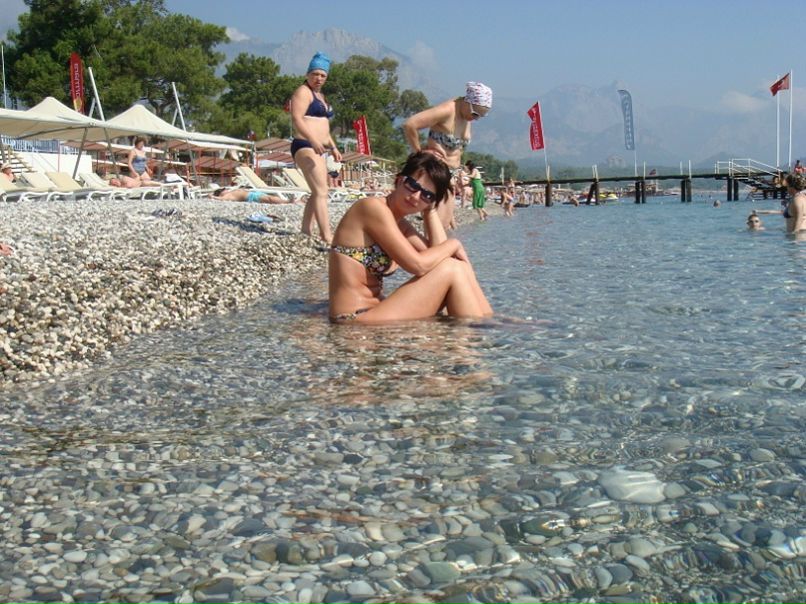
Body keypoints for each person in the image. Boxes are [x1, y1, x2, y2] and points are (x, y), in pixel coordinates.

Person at [328, 152, 493, 323]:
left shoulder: (400, 224)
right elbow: (418, 265)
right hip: (352, 318)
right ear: (399, 180)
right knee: (453, 269)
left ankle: (487, 322)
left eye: (426, 195)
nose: (415, 197)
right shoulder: (371, 208)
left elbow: (440, 257)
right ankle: (478, 332)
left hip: (376, 310)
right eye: (413, 185)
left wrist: (429, 210)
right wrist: (454, 243)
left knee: (456, 266)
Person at [402, 81, 493, 230]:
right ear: (467, 101)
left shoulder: (466, 115)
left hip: (450, 175)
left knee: (443, 227)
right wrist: (419, 154)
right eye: (475, 113)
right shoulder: (447, 110)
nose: (476, 118)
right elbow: (410, 124)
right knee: (437, 226)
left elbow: (457, 148)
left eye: (481, 116)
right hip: (436, 172)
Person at [289, 51, 342, 244]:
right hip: (305, 144)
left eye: (322, 75)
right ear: (307, 74)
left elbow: (324, 128)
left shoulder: (321, 96)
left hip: (319, 146)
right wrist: (312, 139)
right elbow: (297, 118)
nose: (318, 78)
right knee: (321, 191)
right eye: (315, 74)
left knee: (318, 190)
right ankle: (326, 235)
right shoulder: (303, 92)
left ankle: (306, 230)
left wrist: (333, 147)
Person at [212, 188, 295, 204]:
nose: (226, 190)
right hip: (251, 197)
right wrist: (212, 197)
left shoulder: (230, 192)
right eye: (223, 190)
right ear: (221, 193)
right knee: (270, 199)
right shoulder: (227, 196)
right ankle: (287, 202)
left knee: (270, 198)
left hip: (253, 193)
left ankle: (286, 201)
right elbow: (221, 199)